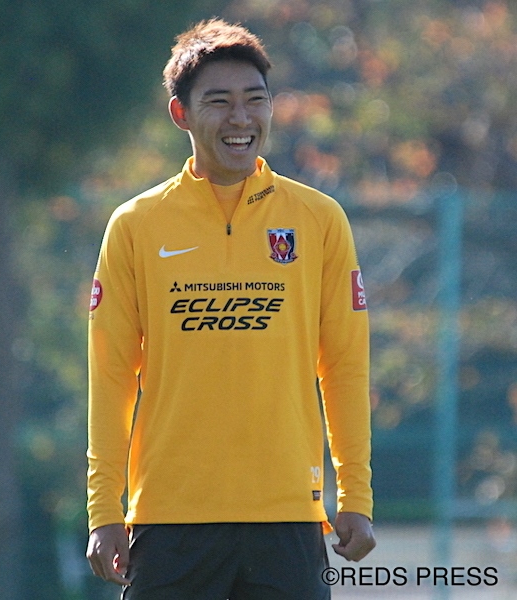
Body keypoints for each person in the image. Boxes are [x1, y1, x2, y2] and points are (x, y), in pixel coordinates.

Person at [86, 18, 375, 600]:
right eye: (218, 102)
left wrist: (356, 496)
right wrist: (103, 509)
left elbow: (344, 365)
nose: (240, 119)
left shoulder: (319, 220)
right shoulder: (136, 225)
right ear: (181, 114)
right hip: (169, 520)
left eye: (255, 100)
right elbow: (112, 373)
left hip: (287, 517)